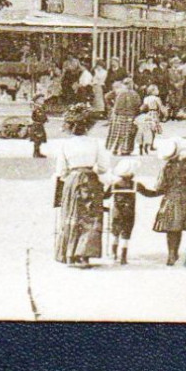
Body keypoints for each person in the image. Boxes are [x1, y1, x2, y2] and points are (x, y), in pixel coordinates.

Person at [52, 104, 109, 266]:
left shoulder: (65, 145)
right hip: (90, 179)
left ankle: (69, 254)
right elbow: (104, 167)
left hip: (72, 180)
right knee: (90, 215)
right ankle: (84, 255)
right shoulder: (96, 143)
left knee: (71, 215)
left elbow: (61, 171)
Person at [139, 138, 186, 266]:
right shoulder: (185, 165)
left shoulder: (166, 168)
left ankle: (171, 254)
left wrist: (143, 190)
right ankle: (174, 253)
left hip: (170, 200)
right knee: (178, 228)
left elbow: (159, 188)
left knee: (171, 228)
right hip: (184, 199)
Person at [104, 160, 139, 265]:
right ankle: (123, 257)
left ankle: (113, 254)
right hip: (129, 212)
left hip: (116, 212)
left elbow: (105, 196)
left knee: (115, 233)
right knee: (126, 235)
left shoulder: (114, 185)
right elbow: (149, 193)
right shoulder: (135, 185)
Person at [104, 78, 140, 156]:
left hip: (119, 115)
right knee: (127, 133)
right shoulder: (134, 93)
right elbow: (138, 105)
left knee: (118, 133)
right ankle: (125, 150)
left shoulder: (120, 92)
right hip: (130, 115)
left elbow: (107, 97)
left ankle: (114, 149)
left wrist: (112, 107)